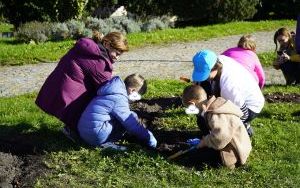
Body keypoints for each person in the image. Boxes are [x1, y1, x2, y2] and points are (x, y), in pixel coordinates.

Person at [35, 31, 129, 138]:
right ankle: (74, 131)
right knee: (96, 101)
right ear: (107, 44)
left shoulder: (87, 46)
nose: (117, 58)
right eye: (116, 53)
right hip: (70, 94)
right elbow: (107, 89)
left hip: (57, 85)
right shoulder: (99, 61)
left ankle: (70, 128)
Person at [192, 49, 265, 137]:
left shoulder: (228, 86)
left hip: (251, 107)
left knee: (216, 120)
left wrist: (225, 129)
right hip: (237, 95)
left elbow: (243, 114)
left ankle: (245, 129)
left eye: (205, 74)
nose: (204, 78)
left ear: (215, 68)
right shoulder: (219, 59)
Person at [77, 73, 157, 149]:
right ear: (132, 90)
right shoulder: (119, 98)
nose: (136, 99)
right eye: (138, 96)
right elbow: (129, 122)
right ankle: (107, 143)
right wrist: (149, 136)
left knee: (132, 114)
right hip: (95, 135)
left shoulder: (113, 90)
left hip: (84, 131)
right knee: (128, 120)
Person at [181, 84, 252, 169]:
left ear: (192, 104)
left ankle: (231, 162)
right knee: (200, 121)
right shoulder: (211, 107)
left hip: (236, 149)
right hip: (229, 143)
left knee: (198, 157)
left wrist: (205, 142)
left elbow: (221, 137)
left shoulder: (215, 114)